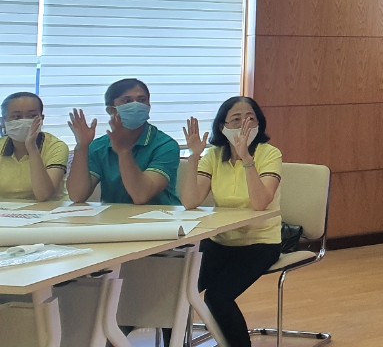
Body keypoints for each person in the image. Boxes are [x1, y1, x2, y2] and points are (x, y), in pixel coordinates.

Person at [181, 96, 282, 347]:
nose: (244, 125)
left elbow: (260, 203)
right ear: (222, 127)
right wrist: (193, 157)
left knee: (218, 297)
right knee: (178, 293)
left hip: (260, 242)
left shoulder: (269, 153)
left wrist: (247, 159)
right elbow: (191, 201)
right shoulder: (214, 156)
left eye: (250, 118)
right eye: (236, 120)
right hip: (221, 240)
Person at [67, 78, 180, 205]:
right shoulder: (99, 146)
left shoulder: (165, 145)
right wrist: (82, 147)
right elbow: (77, 195)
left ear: (149, 106)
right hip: (114, 215)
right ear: (111, 110)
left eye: (142, 100)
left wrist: (124, 151)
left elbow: (141, 196)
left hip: (160, 215)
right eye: (127, 101)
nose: (136, 105)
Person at [0, 92, 68, 201]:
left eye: (32, 116)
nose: (24, 121)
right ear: (3, 121)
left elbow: (44, 195)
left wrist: (32, 148)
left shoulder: (56, 146)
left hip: (48, 209)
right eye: (17, 117)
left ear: (42, 119)